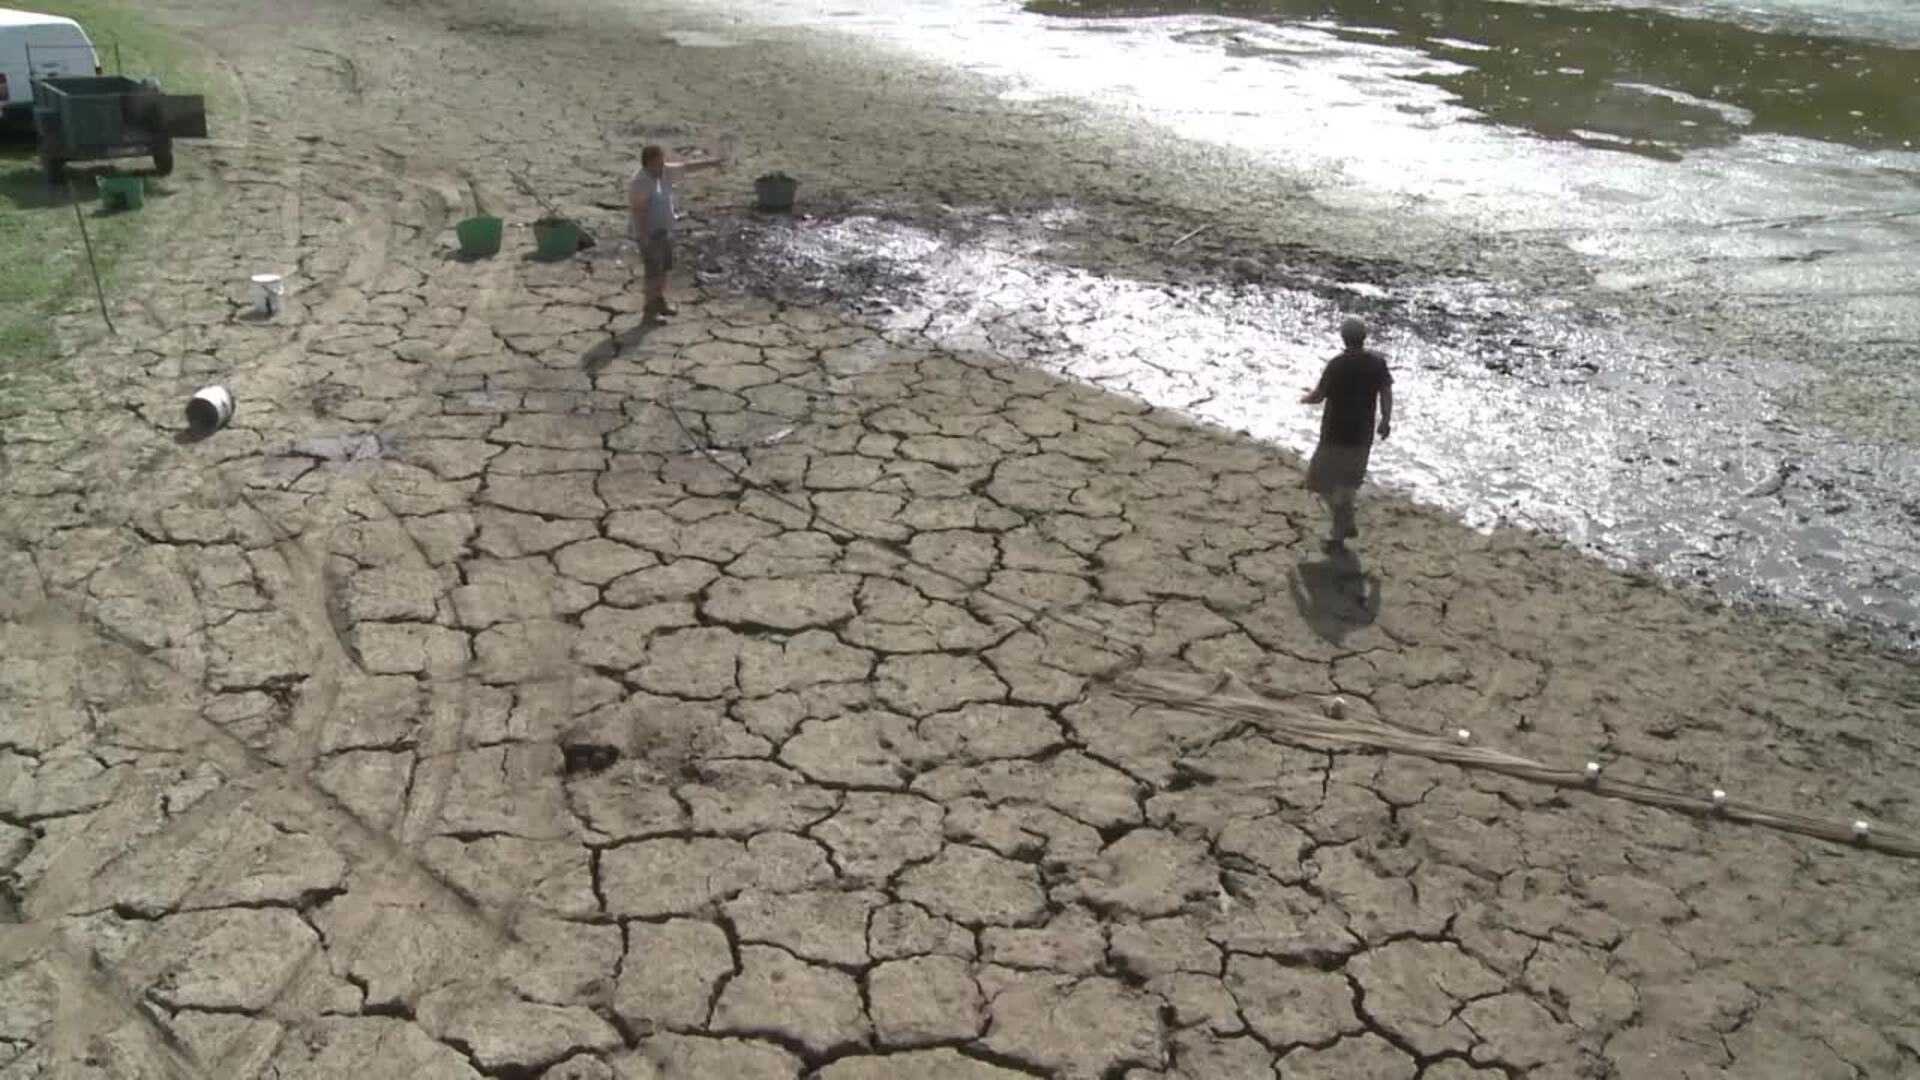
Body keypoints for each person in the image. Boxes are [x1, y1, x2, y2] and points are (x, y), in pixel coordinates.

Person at [1300, 315, 1394, 551]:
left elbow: (1319, 396)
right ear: (1364, 337)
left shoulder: (1337, 364)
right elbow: (1386, 392)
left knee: (1318, 481)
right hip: (1362, 434)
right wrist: (1385, 419)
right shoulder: (1377, 363)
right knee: (1349, 483)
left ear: (1343, 337)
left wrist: (1304, 398)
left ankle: (1342, 524)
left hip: (1335, 432)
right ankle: (1343, 527)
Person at [628, 144, 721, 326]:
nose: (663, 163)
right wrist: (644, 238)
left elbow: (687, 167)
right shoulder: (639, 183)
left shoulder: (665, 172)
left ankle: (659, 303)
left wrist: (713, 163)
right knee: (653, 273)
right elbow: (638, 213)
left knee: (664, 269)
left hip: (665, 231)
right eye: (659, 160)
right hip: (650, 234)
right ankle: (649, 313)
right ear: (649, 162)